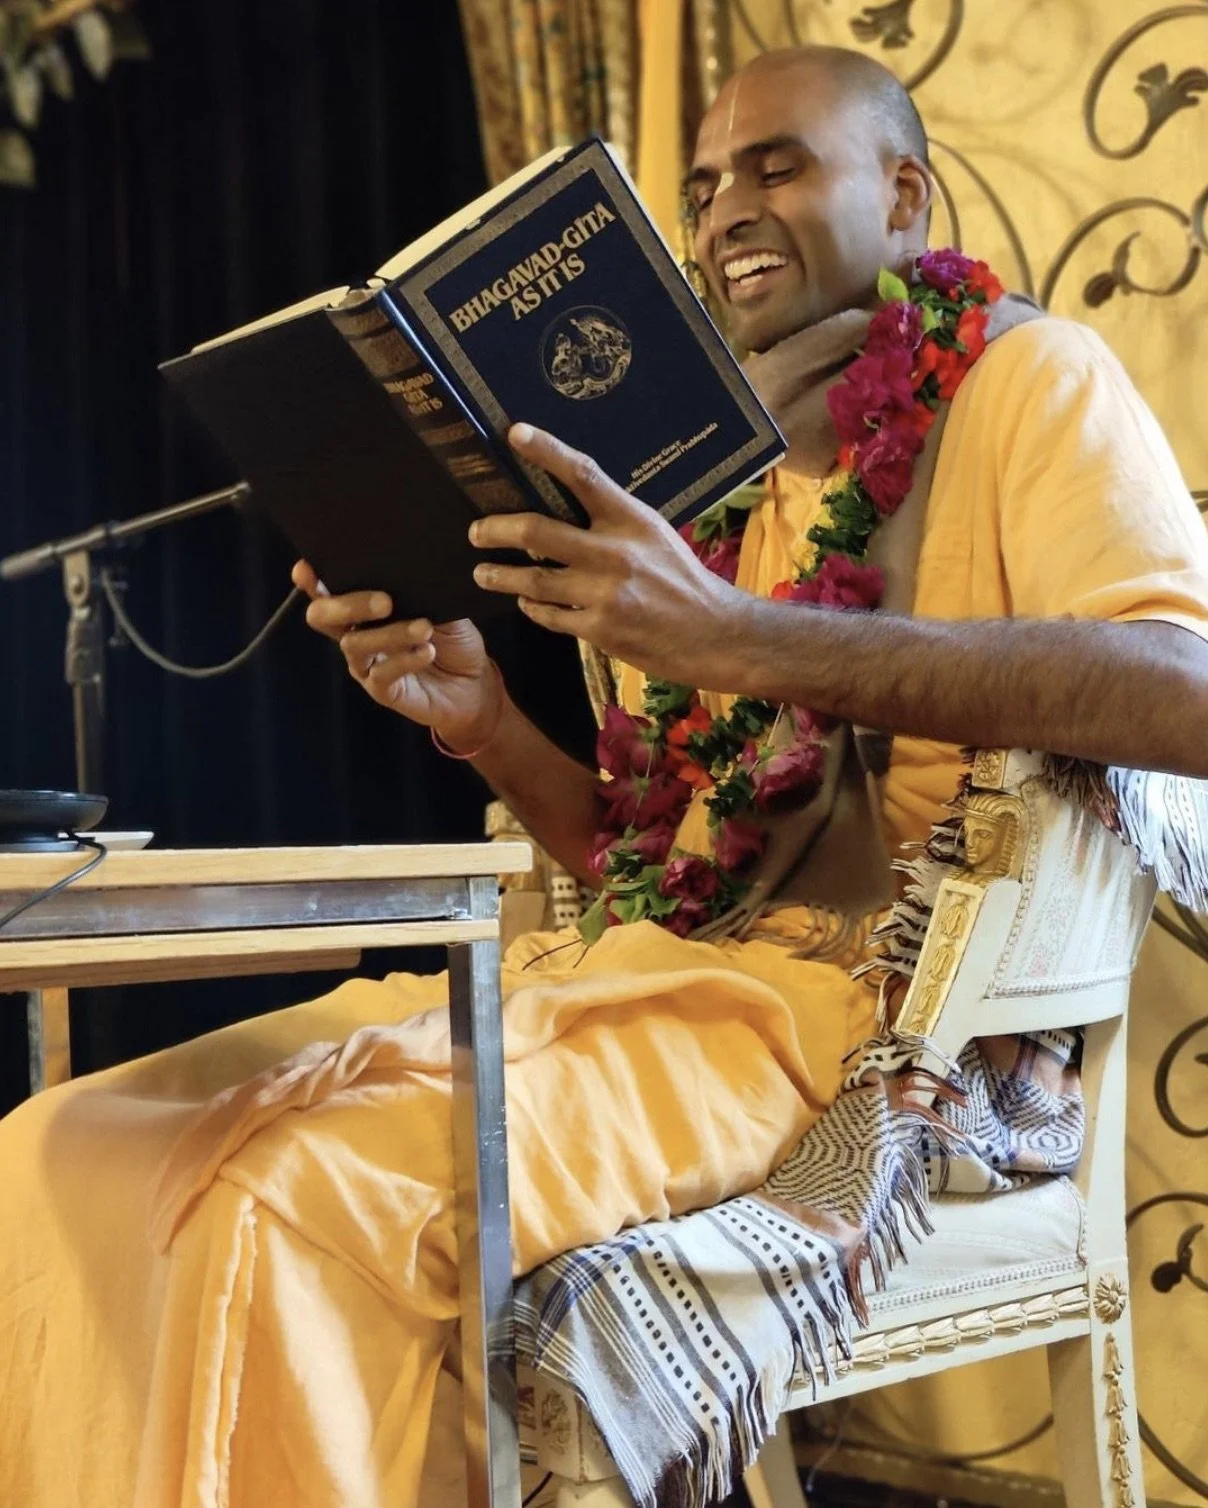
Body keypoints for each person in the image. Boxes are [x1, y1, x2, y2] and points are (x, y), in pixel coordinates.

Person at [3, 43, 1208, 1508]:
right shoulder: (702, 481)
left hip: (867, 1041)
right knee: (59, 1150)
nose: (724, 215)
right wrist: (489, 725)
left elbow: (1187, 701)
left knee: (292, 1199)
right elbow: (660, 870)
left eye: (777, 166)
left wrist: (739, 638)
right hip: (627, 991)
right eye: (703, 189)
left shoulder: (1032, 379)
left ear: (904, 199)